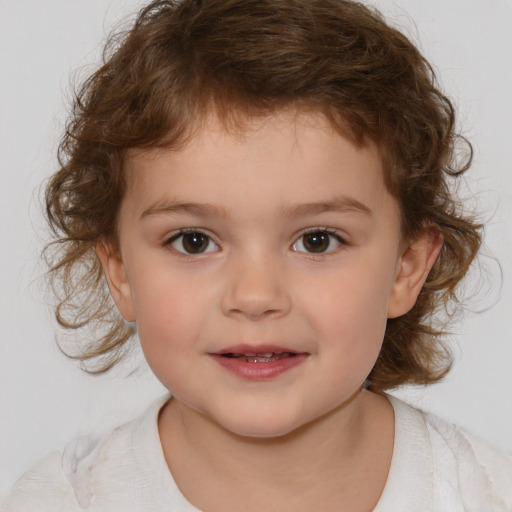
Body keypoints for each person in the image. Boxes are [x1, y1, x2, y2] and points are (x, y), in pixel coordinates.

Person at [3, 0, 512, 510]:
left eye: (317, 240)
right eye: (193, 241)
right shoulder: (60, 502)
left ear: (407, 267)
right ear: (120, 271)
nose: (255, 296)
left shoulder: (484, 494)